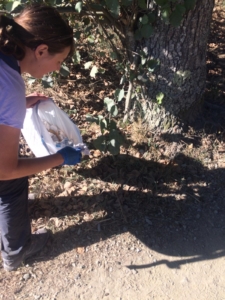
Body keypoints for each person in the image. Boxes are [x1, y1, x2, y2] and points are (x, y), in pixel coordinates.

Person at [0, 3, 81, 271]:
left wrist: (21, 103)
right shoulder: (9, 86)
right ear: (41, 50)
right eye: (58, 61)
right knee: (11, 182)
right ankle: (17, 250)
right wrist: (59, 158)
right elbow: (6, 169)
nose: (57, 69)